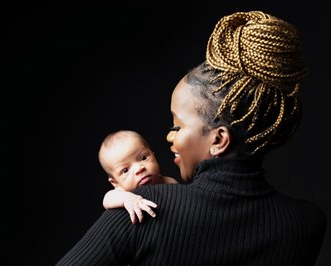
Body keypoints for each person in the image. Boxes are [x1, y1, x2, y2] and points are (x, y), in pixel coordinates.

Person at [56, 11, 327, 265]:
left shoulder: (142, 210)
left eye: (178, 125)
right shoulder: (306, 224)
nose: (169, 136)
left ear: (219, 140)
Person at [98, 130, 178, 224]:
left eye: (143, 158)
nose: (139, 169)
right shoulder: (123, 192)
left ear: (153, 155)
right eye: (125, 170)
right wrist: (127, 199)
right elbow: (107, 199)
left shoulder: (169, 182)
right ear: (115, 182)